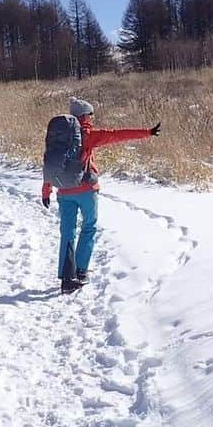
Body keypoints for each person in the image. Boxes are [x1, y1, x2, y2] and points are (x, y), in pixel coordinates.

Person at [42, 97, 160, 293]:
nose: (92, 118)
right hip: (87, 191)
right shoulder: (88, 135)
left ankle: (66, 278)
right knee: (88, 228)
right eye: (91, 114)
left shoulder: (58, 136)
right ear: (85, 116)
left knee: (67, 233)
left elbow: (51, 165)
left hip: (63, 192)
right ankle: (80, 271)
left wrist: (46, 190)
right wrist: (147, 132)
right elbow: (118, 135)